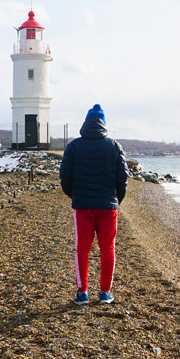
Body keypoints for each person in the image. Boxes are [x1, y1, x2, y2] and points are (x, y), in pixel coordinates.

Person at [59, 104, 129, 305]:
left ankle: (82, 293)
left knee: (82, 249)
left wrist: (75, 195)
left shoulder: (74, 146)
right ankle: (105, 293)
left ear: (86, 123)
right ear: (103, 124)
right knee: (108, 249)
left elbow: (65, 176)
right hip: (108, 206)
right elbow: (123, 178)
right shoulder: (113, 146)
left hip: (83, 206)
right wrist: (116, 200)